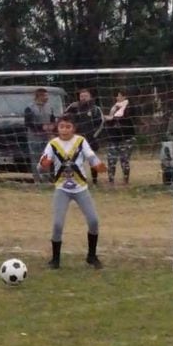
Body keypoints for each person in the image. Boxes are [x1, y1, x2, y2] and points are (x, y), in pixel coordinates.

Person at [39, 115, 107, 269]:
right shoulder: (52, 144)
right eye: (61, 126)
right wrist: (44, 163)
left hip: (81, 188)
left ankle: (91, 256)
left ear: (73, 128)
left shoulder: (80, 141)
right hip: (62, 189)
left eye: (68, 127)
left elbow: (90, 156)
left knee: (93, 221)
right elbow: (43, 162)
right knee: (57, 224)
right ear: (58, 128)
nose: (64, 130)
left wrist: (99, 165)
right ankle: (55, 260)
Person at [64, 88, 104, 185]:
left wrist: (94, 135)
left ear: (90, 97)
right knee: (74, 160)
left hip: (91, 140)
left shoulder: (95, 109)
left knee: (92, 160)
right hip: (76, 140)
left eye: (86, 96)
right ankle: (76, 179)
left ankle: (94, 181)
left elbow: (101, 123)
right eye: (82, 96)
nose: (83, 98)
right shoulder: (73, 107)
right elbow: (64, 118)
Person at [102, 90, 136, 185]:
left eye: (119, 96)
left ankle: (125, 180)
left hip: (126, 138)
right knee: (111, 159)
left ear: (125, 97)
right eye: (117, 96)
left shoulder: (130, 107)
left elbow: (127, 119)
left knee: (124, 159)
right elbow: (111, 122)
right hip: (113, 137)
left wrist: (112, 118)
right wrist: (108, 119)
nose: (117, 98)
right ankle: (111, 180)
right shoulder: (114, 108)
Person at [23, 87, 56, 184]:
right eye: (45, 95)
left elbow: (52, 120)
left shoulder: (50, 107)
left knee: (47, 157)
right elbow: (28, 123)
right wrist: (42, 127)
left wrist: (53, 127)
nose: (47, 97)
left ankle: (46, 179)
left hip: (47, 137)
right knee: (36, 158)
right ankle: (37, 180)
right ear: (39, 96)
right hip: (34, 137)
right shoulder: (30, 108)